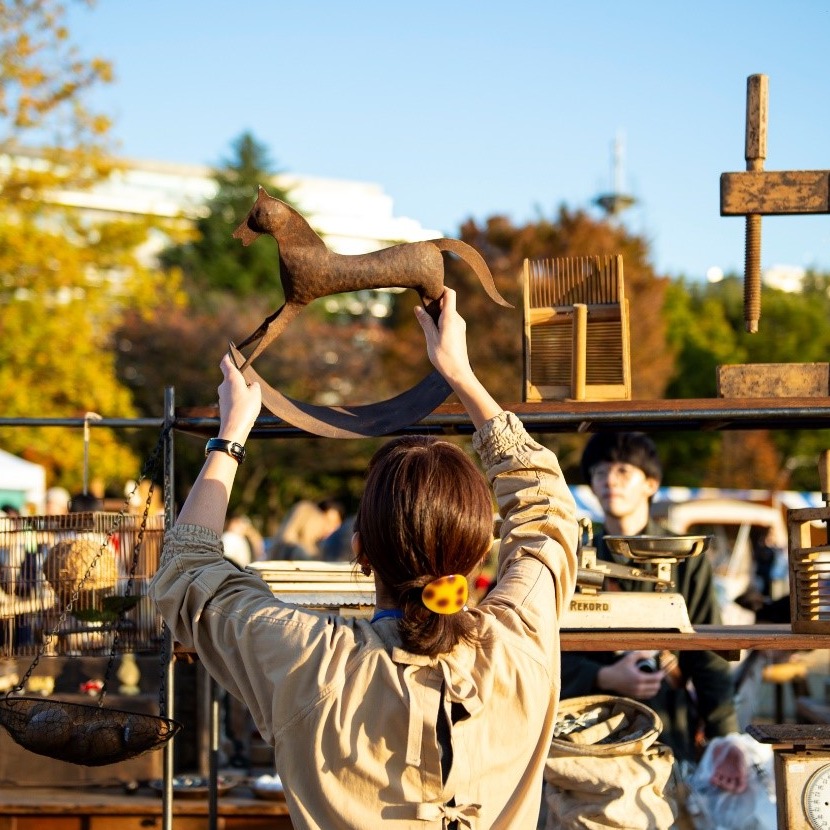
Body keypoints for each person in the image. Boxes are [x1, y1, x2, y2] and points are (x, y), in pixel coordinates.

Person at [150, 288, 579, 829]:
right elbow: (546, 507)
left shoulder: (311, 660)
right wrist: (460, 375)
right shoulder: (519, 645)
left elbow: (187, 571)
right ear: (478, 551)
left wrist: (230, 436)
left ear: (360, 551)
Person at [559, 431, 747, 794]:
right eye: (599, 472)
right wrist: (604, 677)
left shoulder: (686, 560)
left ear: (651, 483)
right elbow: (547, 650)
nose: (610, 480)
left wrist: (726, 739)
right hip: (587, 737)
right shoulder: (575, 559)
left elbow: (707, 654)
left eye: (623, 471)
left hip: (667, 731)